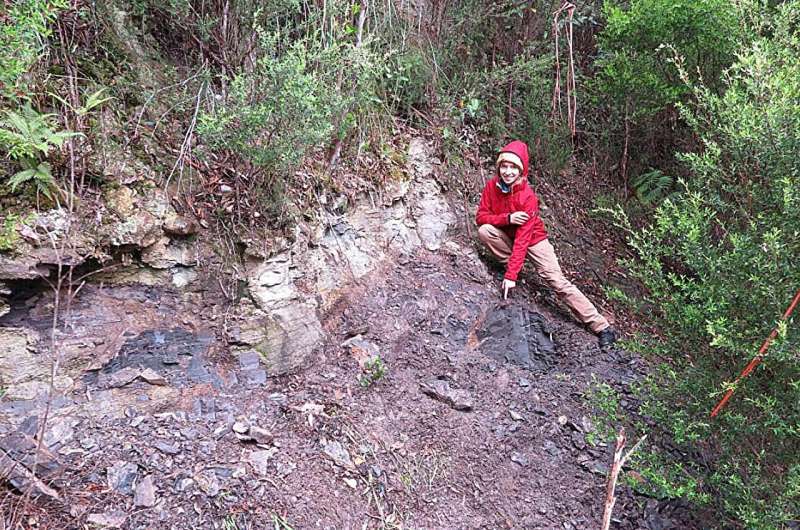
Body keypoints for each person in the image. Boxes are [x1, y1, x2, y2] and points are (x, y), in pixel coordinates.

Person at [476, 140, 617, 347]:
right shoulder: (492, 187)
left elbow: (523, 239)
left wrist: (510, 276)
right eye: (504, 166)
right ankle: (514, 265)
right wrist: (508, 219)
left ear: (521, 170)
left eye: (513, 167)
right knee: (485, 231)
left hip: (534, 240)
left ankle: (601, 327)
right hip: (508, 235)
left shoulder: (528, 197)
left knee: (557, 281)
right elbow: (481, 216)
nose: (507, 172)